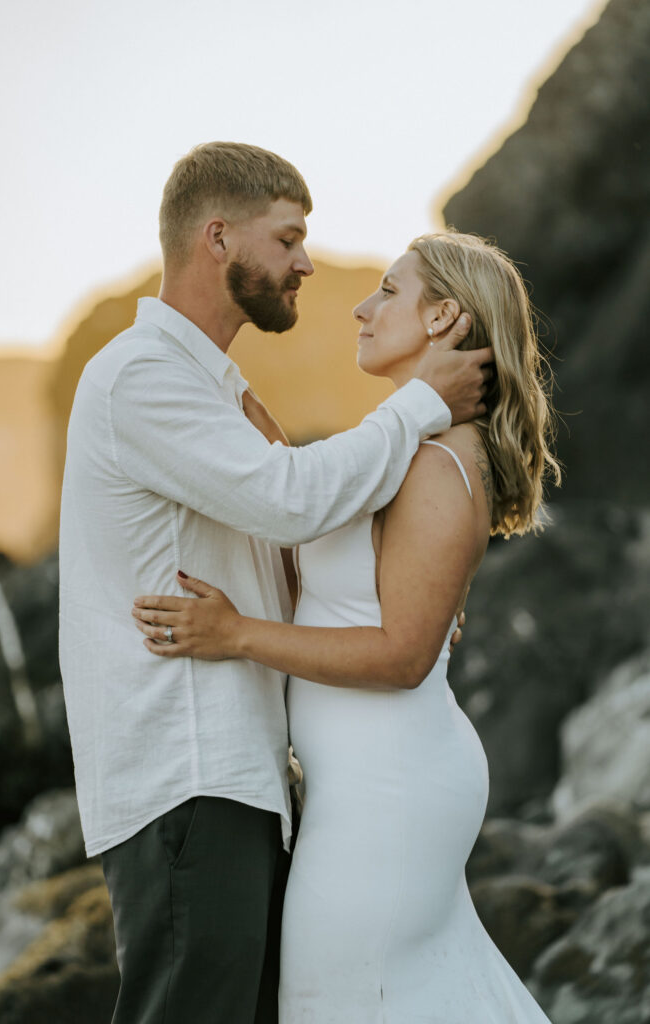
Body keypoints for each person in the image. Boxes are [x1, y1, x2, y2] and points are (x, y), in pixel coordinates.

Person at [58, 143, 492, 1024]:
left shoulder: (215, 392)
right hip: (184, 776)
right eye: (287, 237)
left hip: (243, 780)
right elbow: (289, 503)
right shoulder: (143, 379)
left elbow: (279, 554)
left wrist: (392, 600)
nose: (304, 262)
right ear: (217, 237)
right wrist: (420, 403)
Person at [132, 229, 560, 1022]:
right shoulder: (408, 451)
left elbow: (400, 655)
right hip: (366, 786)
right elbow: (329, 561)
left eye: (389, 293)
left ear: (442, 320)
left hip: (388, 791)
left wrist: (235, 635)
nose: (362, 309)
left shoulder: (437, 466)